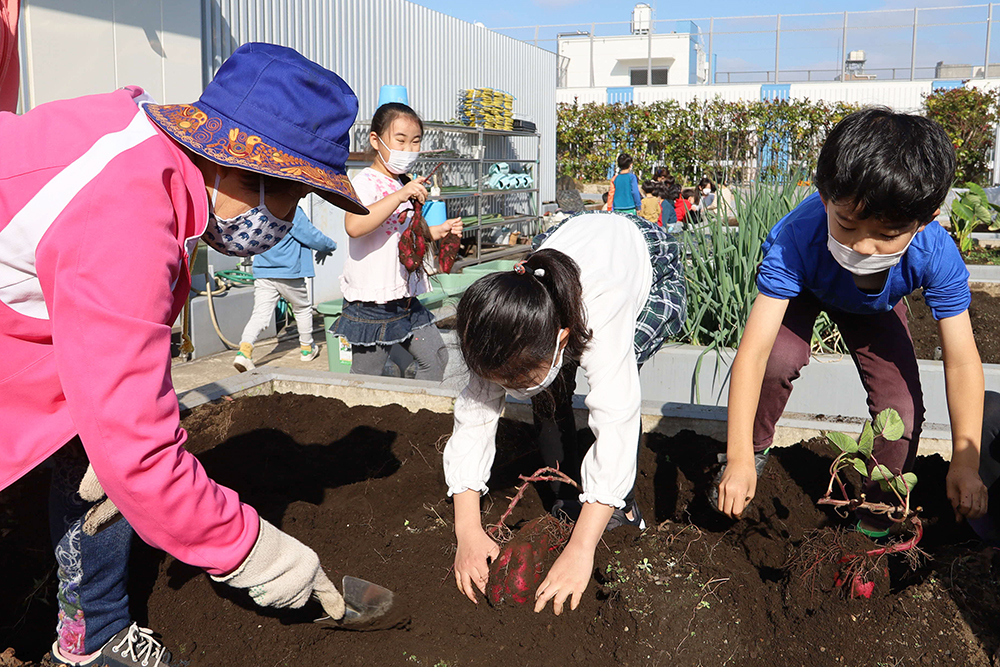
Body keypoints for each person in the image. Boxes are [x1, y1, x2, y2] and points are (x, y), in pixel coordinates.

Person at [0, 43, 370, 666]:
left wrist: (110, 438)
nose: (292, 217)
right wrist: (257, 553)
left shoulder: (144, 149)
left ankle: (91, 636)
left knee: (101, 456)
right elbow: (140, 453)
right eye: (294, 197)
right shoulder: (127, 218)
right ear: (252, 167)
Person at [714, 108, 988, 536]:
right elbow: (754, 351)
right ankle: (755, 449)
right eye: (846, 224)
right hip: (806, 290)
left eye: (888, 234)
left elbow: (962, 361)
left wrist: (966, 463)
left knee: (902, 410)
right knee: (780, 359)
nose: (863, 245)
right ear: (824, 196)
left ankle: (875, 518)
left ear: (927, 218)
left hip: (875, 310)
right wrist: (737, 458)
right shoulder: (797, 239)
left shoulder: (934, 252)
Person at [444, 211, 687, 615]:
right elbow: (474, 417)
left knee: (617, 377)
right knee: (549, 391)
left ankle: (623, 508)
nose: (509, 393)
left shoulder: (603, 312)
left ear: (561, 338)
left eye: (518, 381)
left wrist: (581, 549)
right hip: (569, 245)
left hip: (646, 257)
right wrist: (467, 531)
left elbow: (617, 418)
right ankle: (565, 492)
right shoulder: (500, 321)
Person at [331, 102, 462, 381]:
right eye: (400, 140)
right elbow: (354, 226)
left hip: (404, 297)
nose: (408, 148)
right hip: (373, 300)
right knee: (368, 375)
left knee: (435, 358)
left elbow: (407, 233)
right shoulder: (364, 182)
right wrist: (400, 196)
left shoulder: (402, 183)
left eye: (415, 141)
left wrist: (440, 231)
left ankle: (418, 415)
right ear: (376, 141)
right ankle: (364, 420)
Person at [233, 206, 337, 371]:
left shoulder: (259, 209)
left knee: (260, 315)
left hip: (264, 271)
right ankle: (307, 349)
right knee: (302, 308)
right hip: (289, 271)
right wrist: (329, 246)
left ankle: (244, 352)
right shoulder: (291, 209)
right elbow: (309, 235)